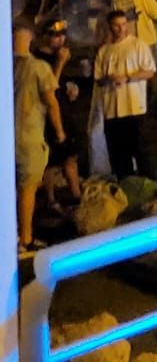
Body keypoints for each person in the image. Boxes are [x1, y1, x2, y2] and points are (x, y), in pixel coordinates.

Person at [14, 23, 65, 254]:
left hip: (8, 138)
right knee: (27, 189)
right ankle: (26, 238)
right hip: (29, 136)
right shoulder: (38, 67)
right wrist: (59, 131)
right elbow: (51, 101)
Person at [93, 9, 157, 178]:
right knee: (119, 158)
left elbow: (150, 71)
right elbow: (98, 79)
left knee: (142, 154)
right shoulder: (104, 51)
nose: (121, 29)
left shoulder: (138, 45)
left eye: (124, 24)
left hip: (135, 110)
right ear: (110, 27)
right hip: (112, 112)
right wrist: (109, 79)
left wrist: (128, 78)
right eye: (117, 25)